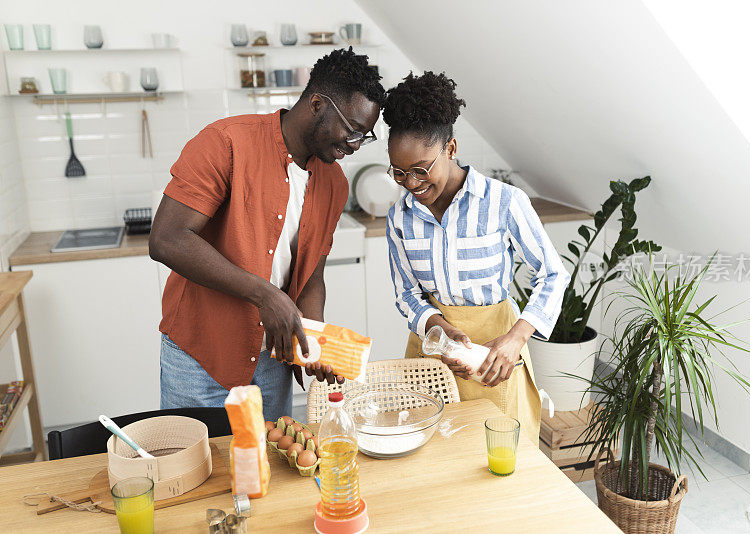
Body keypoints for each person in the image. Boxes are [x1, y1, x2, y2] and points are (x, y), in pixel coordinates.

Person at [149, 48, 385, 422]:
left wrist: (314, 343)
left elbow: (312, 279)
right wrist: (265, 294)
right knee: (195, 473)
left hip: (272, 362)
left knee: (268, 472)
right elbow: (167, 239)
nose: (355, 145)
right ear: (317, 104)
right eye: (352, 130)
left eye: (364, 136)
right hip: (200, 355)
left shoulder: (335, 184)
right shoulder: (225, 142)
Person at [383, 72, 569, 442]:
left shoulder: (504, 202)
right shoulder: (400, 217)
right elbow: (406, 293)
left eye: (422, 170)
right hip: (431, 356)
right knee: (433, 463)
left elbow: (553, 274)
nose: (412, 185)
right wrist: (440, 329)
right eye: (400, 173)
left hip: (494, 358)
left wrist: (515, 338)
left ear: (451, 148)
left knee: (498, 464)